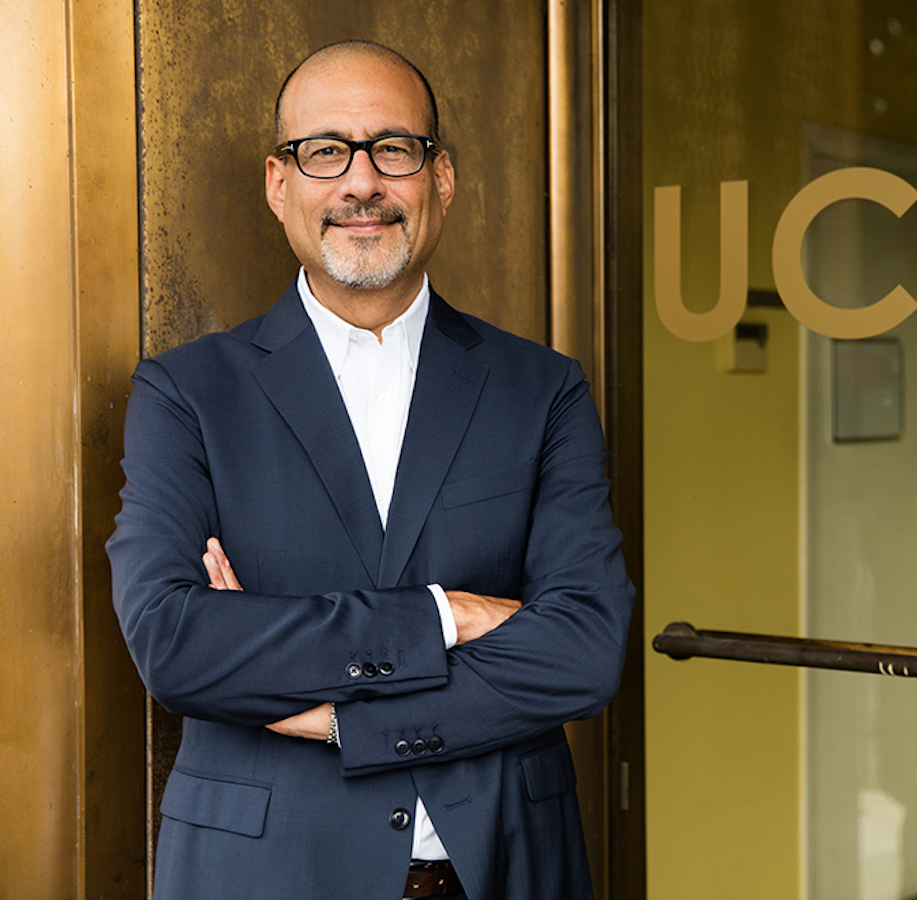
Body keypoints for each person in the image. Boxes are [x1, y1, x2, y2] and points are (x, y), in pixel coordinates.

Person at [107, 39, 634, 900]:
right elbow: (175, 644)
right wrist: (447, 615)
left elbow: (584, 649)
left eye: (395, 148)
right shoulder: (186, 392)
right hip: (266, 872)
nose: (362, 183)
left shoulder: (543, 389)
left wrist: (337, 718)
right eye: (326, 152)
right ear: (280, 184)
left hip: (507, 863)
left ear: (442, 180)